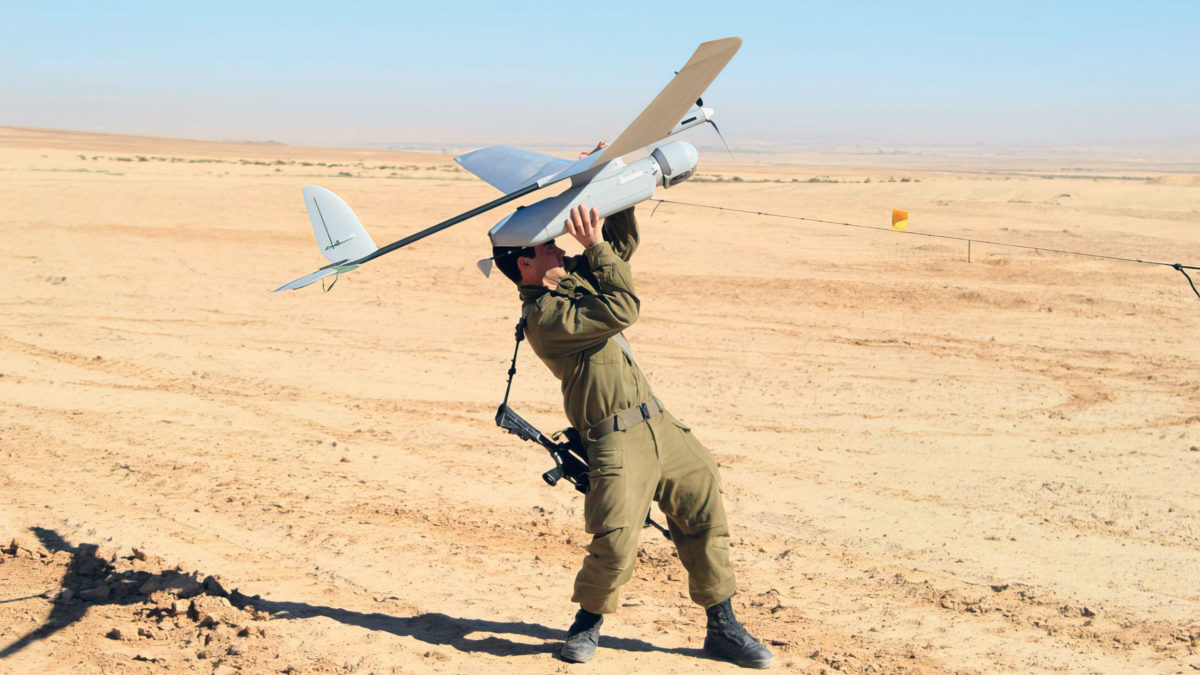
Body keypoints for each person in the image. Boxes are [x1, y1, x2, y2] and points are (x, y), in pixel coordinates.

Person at [491, 194, 774, 669]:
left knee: (704, 514)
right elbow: (623, 307)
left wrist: (605, 187)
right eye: (548, 249)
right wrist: (596, 248)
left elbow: (620, 244)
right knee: (616, 540)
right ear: (525, 263)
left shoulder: (569, 283)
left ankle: (722, 628)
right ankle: (587, 624)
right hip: (616, 441)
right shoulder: (546, 319)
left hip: (659, 422)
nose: (560, 250)